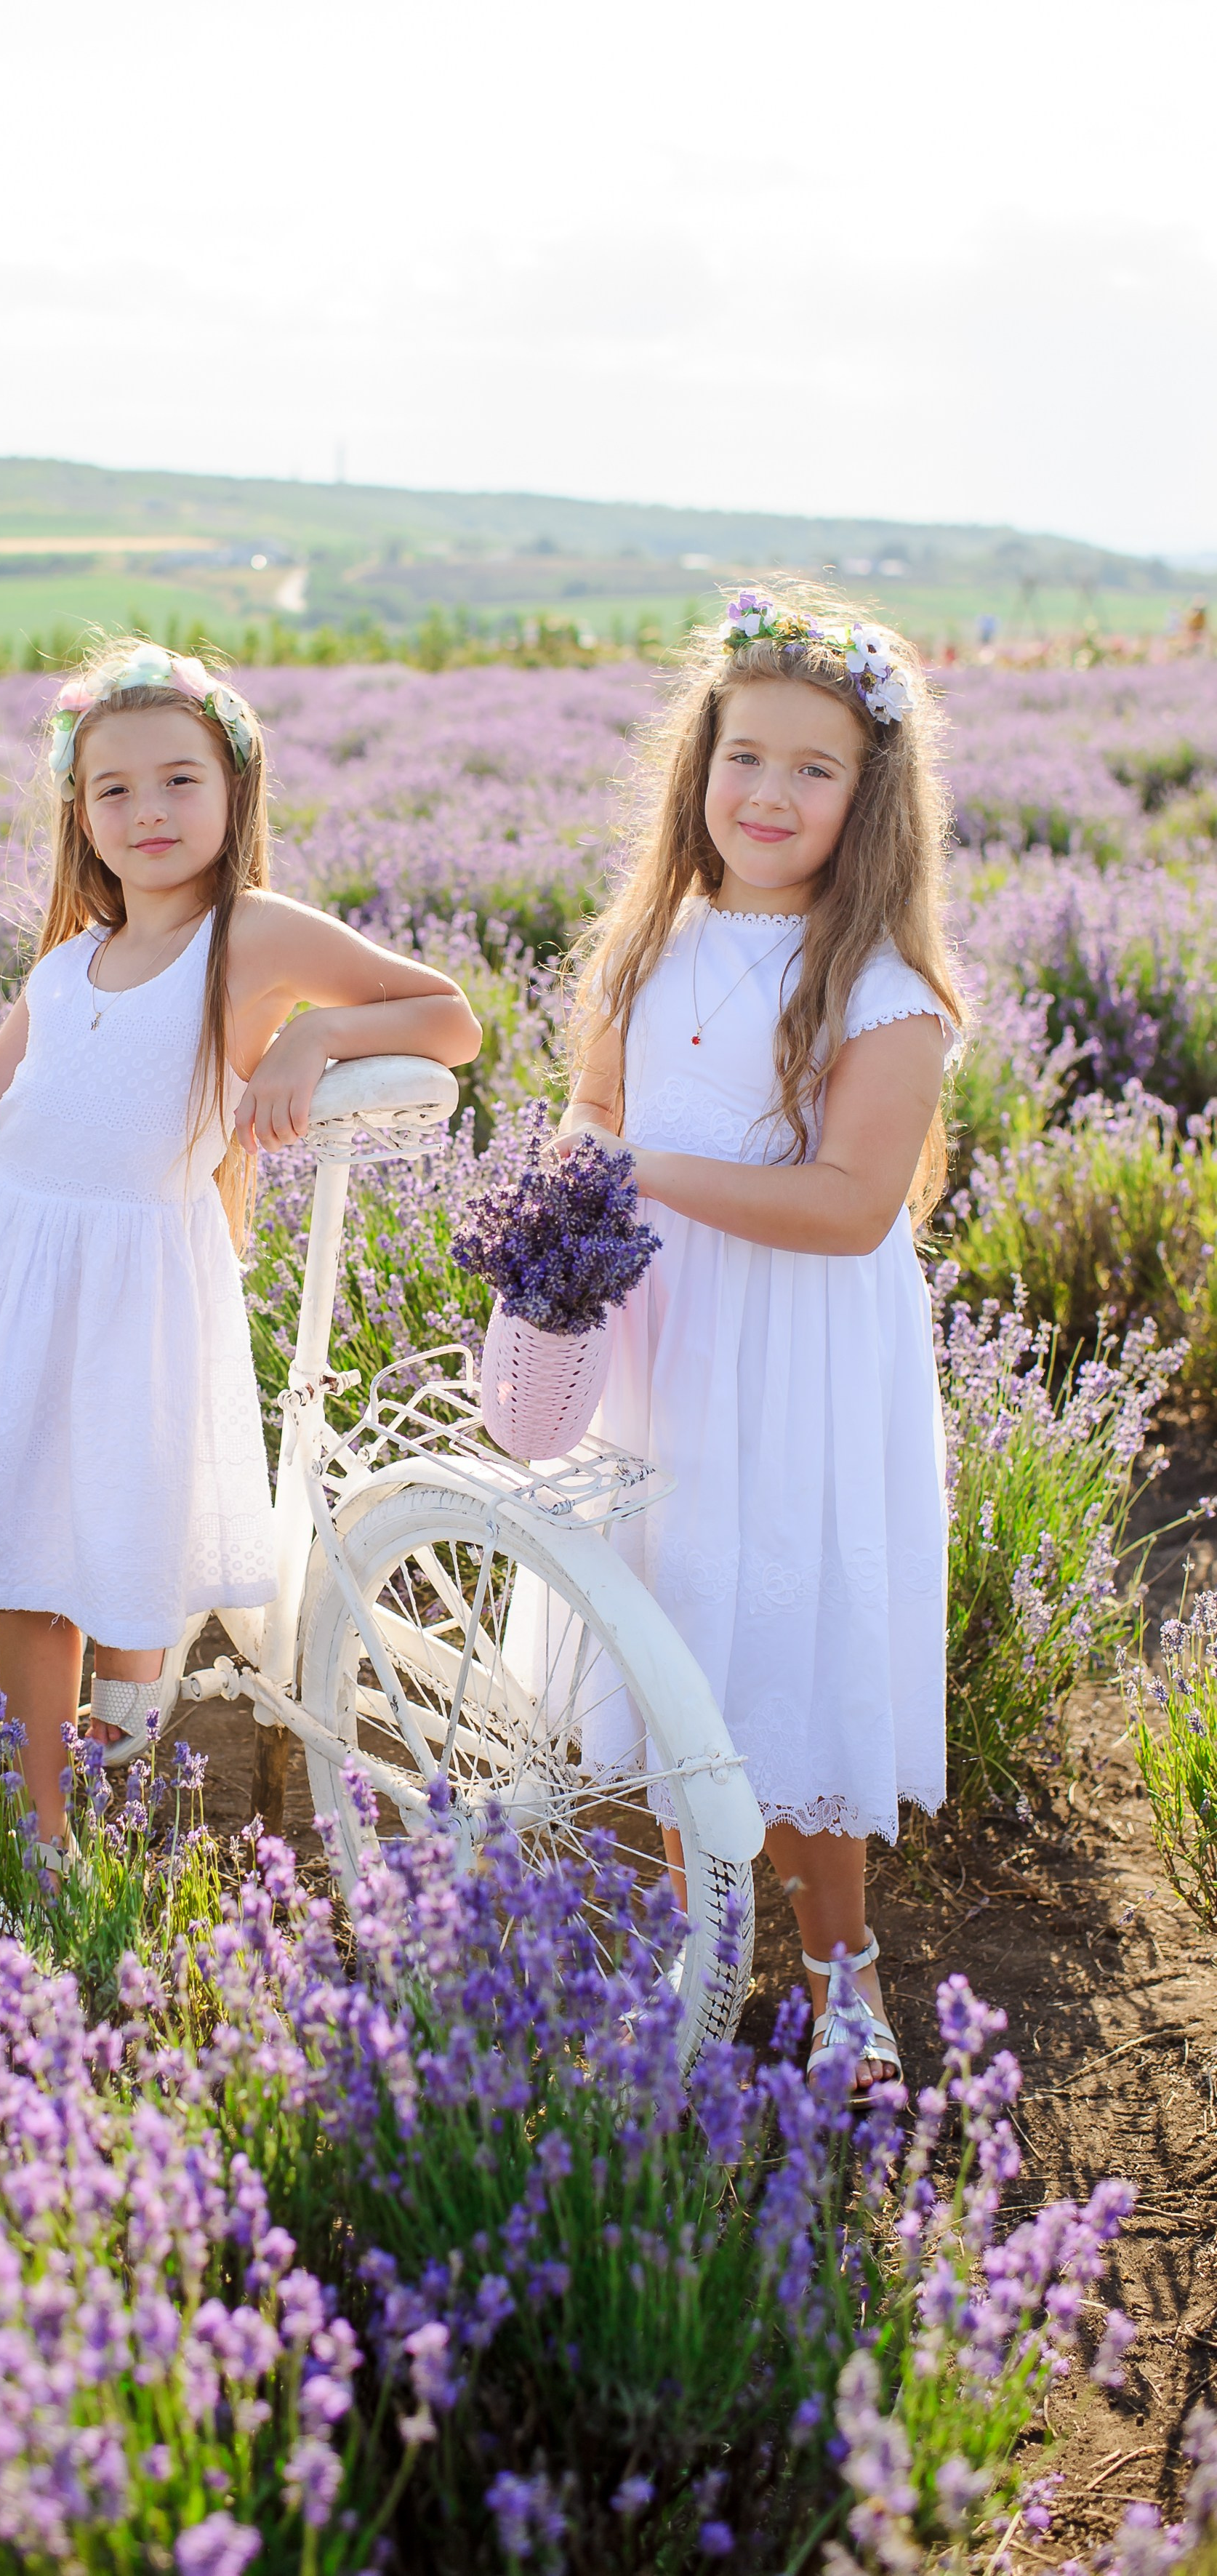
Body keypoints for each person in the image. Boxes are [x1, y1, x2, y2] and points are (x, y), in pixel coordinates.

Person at [0, 639, 481, 1866]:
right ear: (81, 811)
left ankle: (116, 1757)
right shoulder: (66, 965)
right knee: (30, 1555)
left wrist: (307, 1040)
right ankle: (45, 1827)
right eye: (115, 789)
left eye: (180, 780)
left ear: (234, 793)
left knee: (121, 1536)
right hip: (14, 1271)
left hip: (136, 1284)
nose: (149, 811)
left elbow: (448, 1015)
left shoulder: (250, 935)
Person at [561, 589, 963, 2087]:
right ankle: (702, 1939)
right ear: (699, 765)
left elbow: (853, 1205)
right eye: (746, 756)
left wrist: (636, 1177)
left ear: (870, 799)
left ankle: (838, 1960)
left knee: (793, 1638)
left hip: (798, 1359)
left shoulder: (881, 986)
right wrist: (557, 1231)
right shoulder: (647, 945)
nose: (772, 793)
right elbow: (594, 1116)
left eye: (816, 767)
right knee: (683, 1637)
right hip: (665, 1343)